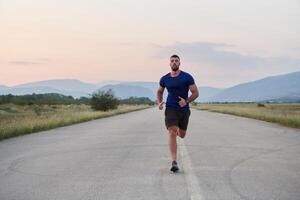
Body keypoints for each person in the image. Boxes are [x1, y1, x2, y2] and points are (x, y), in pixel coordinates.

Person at [156, 54, 199, 173]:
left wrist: (186, 101)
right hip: (170, 108)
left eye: (176, 61)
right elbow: (159, 92)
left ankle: (180, 130)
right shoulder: (165, 78)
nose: (174, 62)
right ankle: (174, 161)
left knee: (182, 134)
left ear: (179, 63)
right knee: (172, 131)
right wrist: (159, 103)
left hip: (184, 110)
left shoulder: (187, 77)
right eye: (172, 61)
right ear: (169, 64)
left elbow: (195, 93)